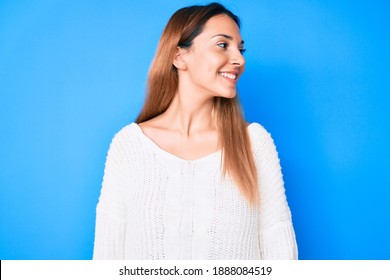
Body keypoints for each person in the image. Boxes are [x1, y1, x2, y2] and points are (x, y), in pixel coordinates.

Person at [93, 2, 298, 260]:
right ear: (180, 57)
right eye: (223, 45)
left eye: (240, 49)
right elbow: (107, 255)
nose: (239, 59)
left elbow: (279, 248)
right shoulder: (130, 146)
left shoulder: (255, 143)